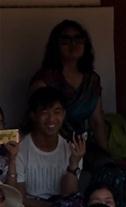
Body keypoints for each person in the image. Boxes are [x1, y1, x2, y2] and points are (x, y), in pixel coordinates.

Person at [12, 87, 86, 207]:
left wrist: (73, 164)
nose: (52, 119)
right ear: (33, 115)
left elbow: (69, 195)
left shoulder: (71, 148)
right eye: (44, 112)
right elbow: (20, 198)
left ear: (64, 114)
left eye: (57, 111)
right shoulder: (22, 149)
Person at [29, 20, 108, 154]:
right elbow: (38, 121)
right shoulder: (45, 80)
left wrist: (106, 154)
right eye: (66, 40)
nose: (73, 44)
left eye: (78, 39)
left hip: (81, 144)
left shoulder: (91, 80)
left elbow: (97, 122)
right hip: (51, 147)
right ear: (56, 46)